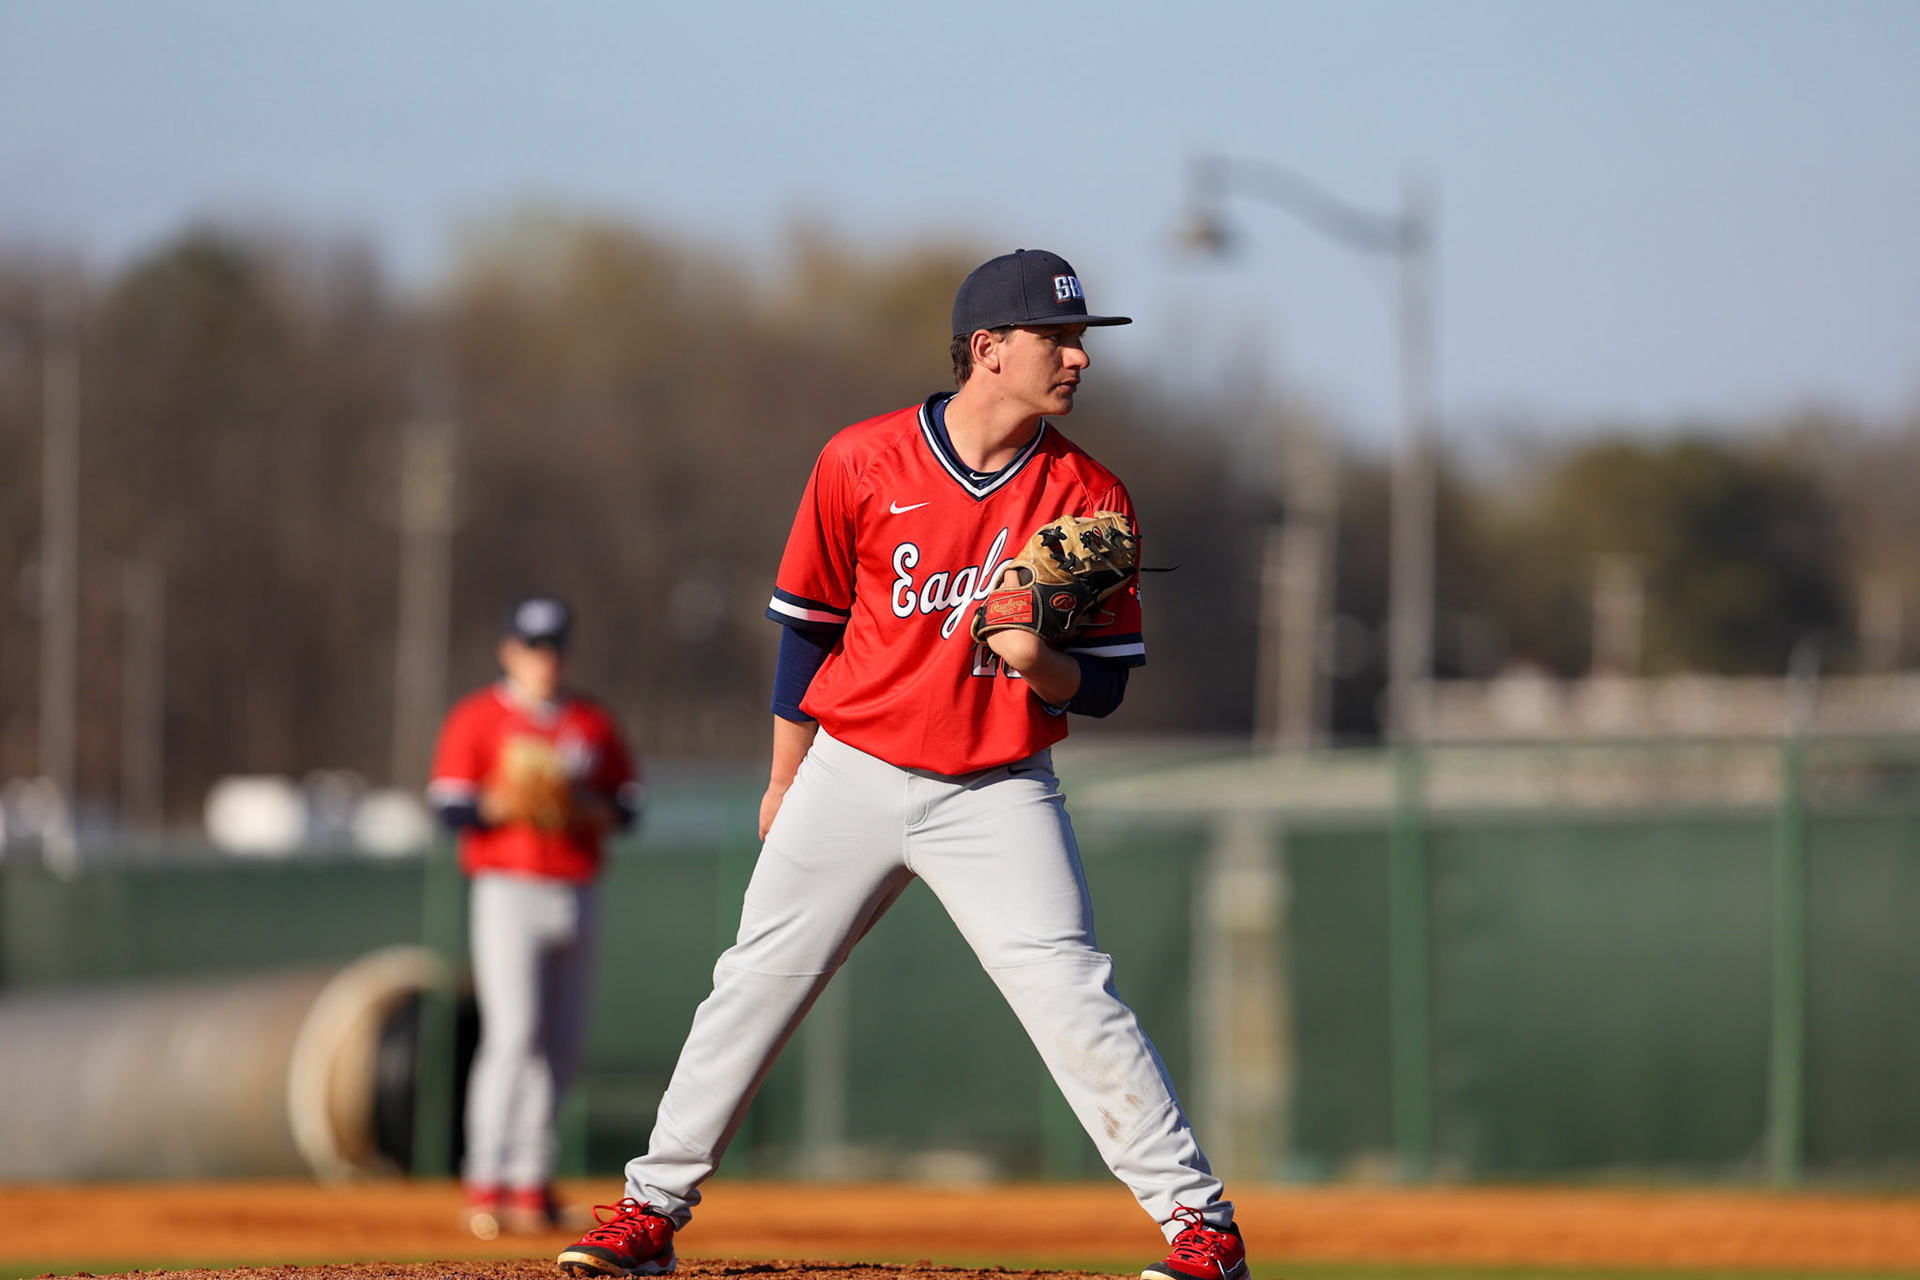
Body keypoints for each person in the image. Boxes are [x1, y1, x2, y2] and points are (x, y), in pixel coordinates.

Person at [556, 251, 1246, 1280]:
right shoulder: (862, 460)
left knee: (1072, 992)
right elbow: (807, 628)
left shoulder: (1089, 494)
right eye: (1057, 337)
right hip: (853, 767)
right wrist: (786, 774)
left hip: (999, 785)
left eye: (1080, 337)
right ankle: (649, 1207)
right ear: (988, 349)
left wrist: (1036, 655)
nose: (1078, 357)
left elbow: (1101, 687)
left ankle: (1202, 1224)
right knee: (754, 981)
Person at [429, 596, 644, 1238]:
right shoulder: (477, 718)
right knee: (514, 1034)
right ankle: (486, 1182)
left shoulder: (590, 721)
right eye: (532, 647)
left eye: (552, 647)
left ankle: (531, 1183)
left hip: (575, 885)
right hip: (507, 885)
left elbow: (628, 805)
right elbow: (450, 807)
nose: (544, 659)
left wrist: (582, 808)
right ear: (508, 651)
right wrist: (502, 804)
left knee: (564, 1045)